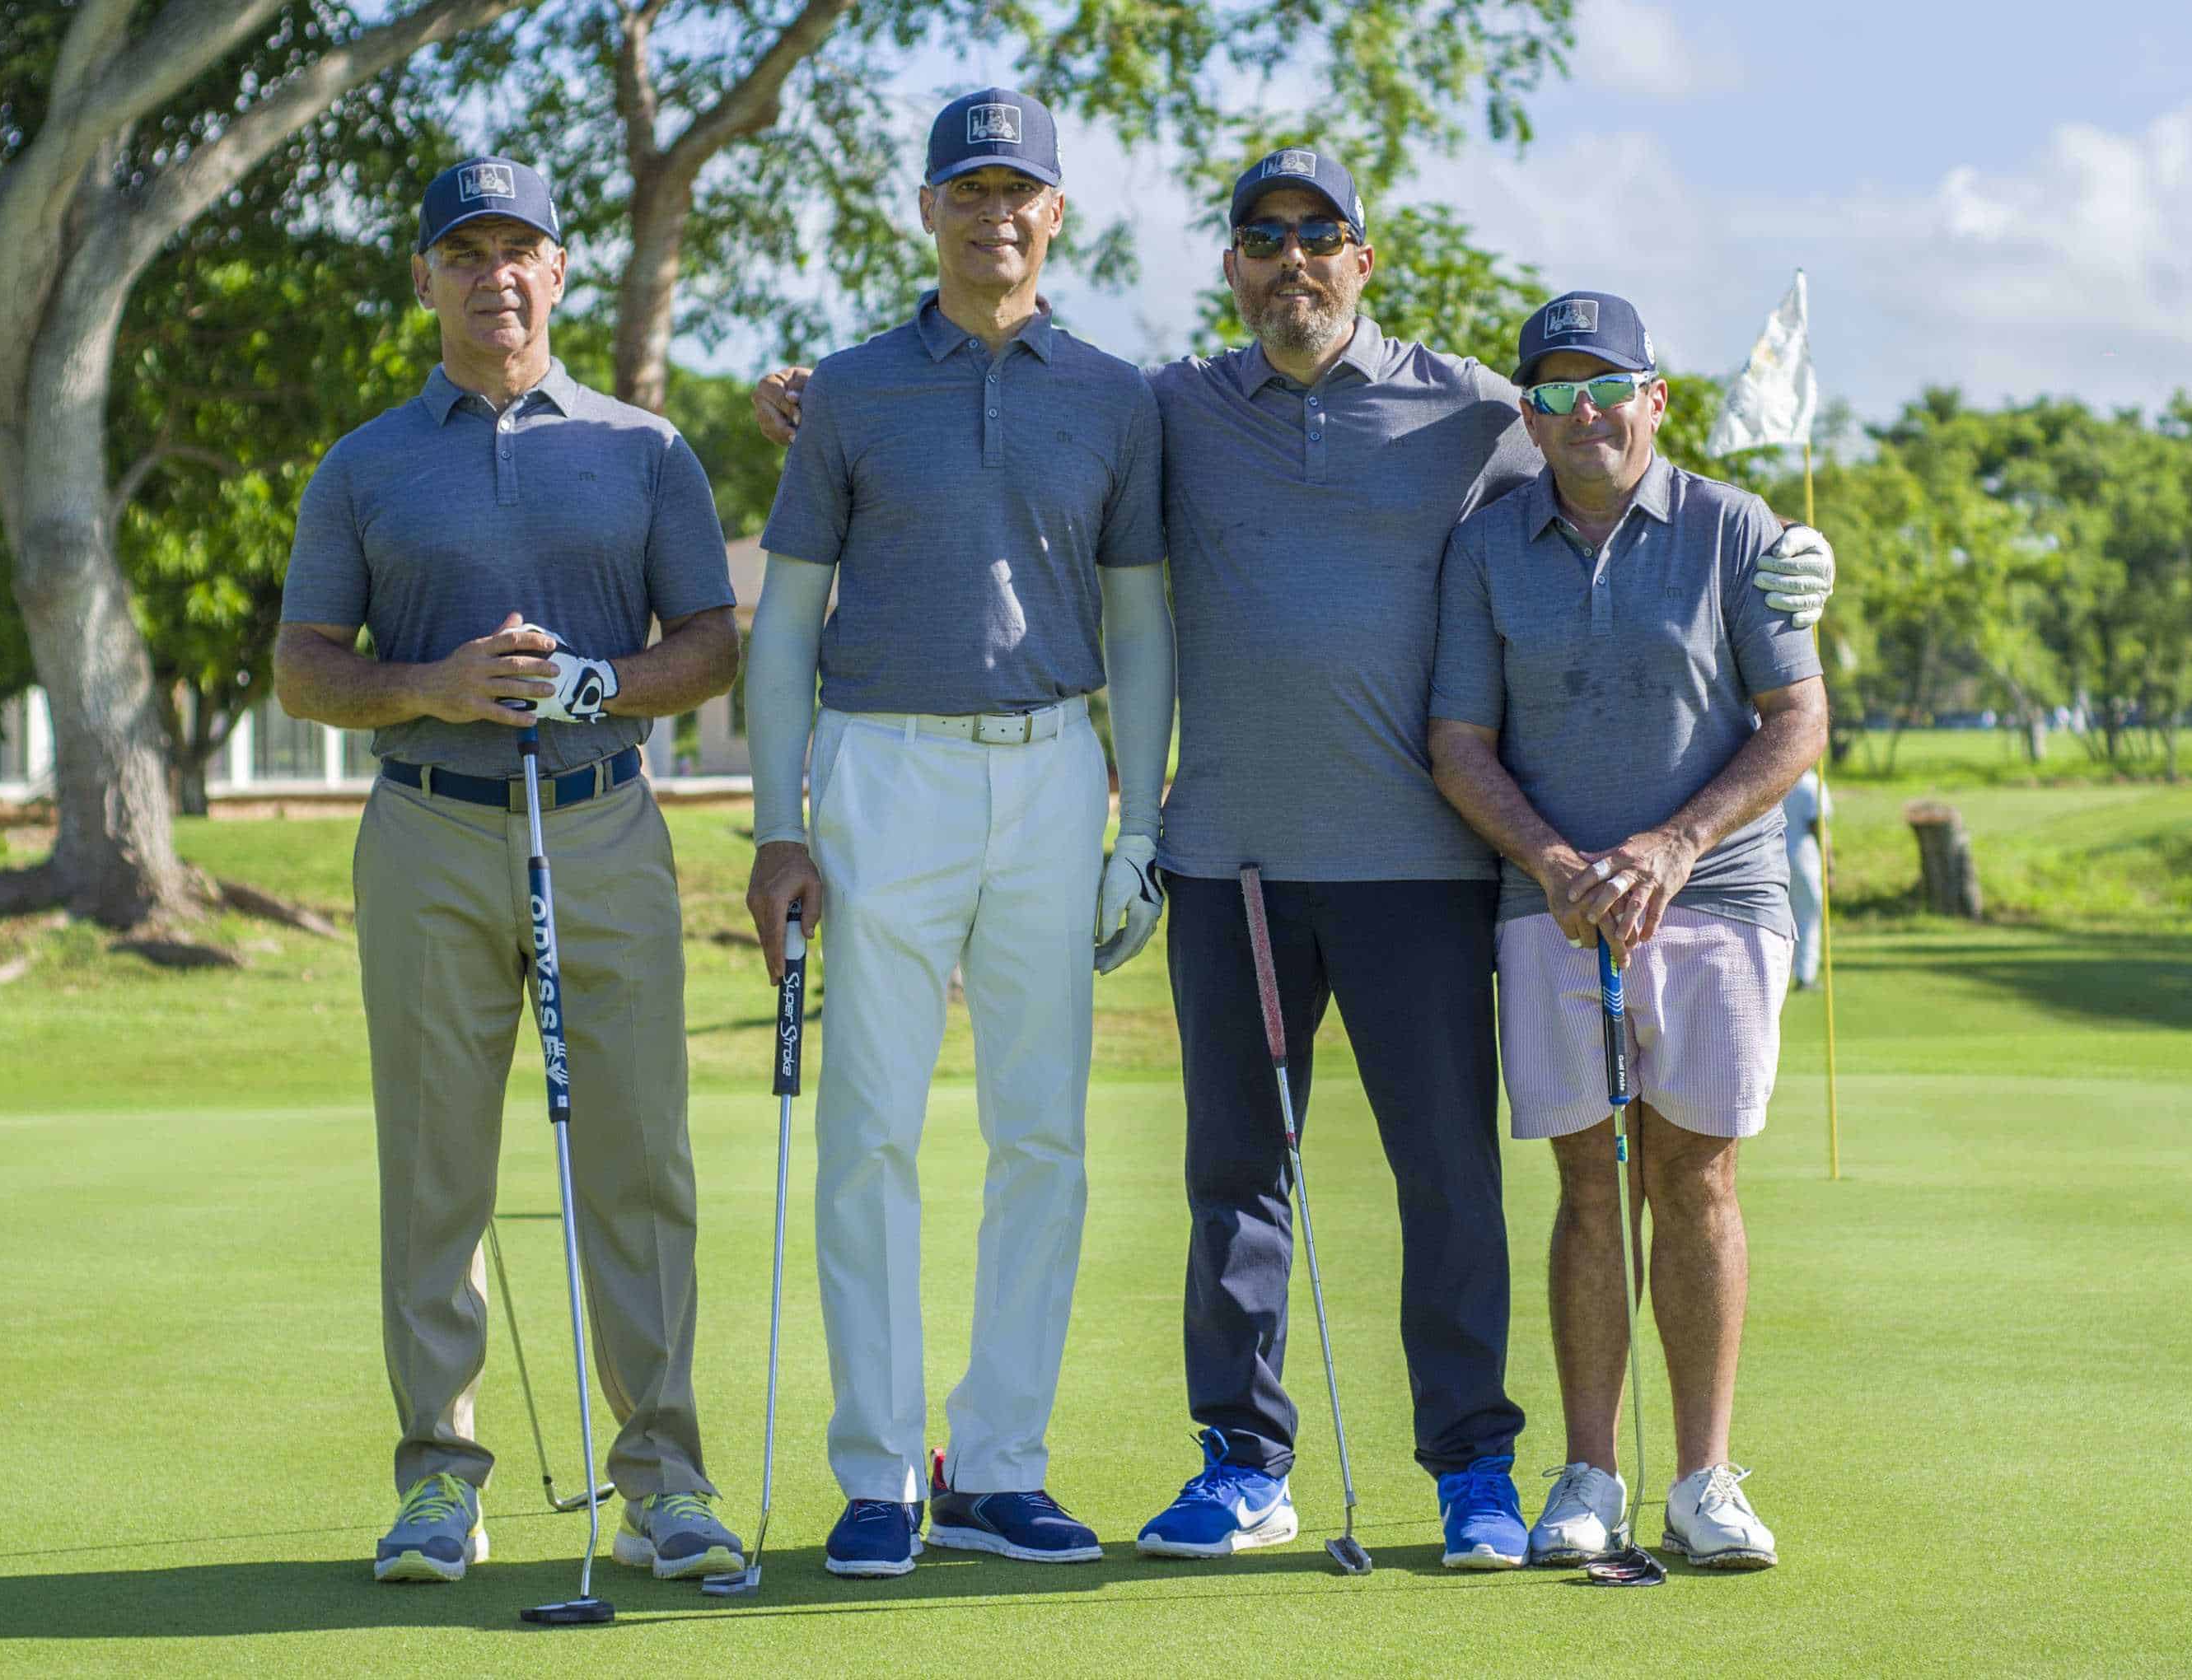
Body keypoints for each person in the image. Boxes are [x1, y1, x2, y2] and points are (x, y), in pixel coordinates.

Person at [754, 147, 1838, 1571]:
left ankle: (1472, 1472)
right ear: (1233, 268)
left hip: (1419, 865)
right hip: (1233, 866)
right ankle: (1242, 1466)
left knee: (1446, 1183)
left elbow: (1613, 465)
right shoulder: (1169, 405)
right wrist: (817, 402)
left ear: (1362, 258)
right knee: (1235, 1185)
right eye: (1262, 240)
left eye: (1319, 235)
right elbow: (1019, 409)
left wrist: (1781, 550)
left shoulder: (1473, 409)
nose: (1292, 262)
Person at [273, 156, 745, 1585]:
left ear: (559, 270)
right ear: (425, 278)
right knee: (435, 1168)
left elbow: (710, 644)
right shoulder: (363, 465)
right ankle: (438, 1477)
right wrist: (435, 684)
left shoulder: (646, 449)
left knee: (639, 1162)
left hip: (602, 821)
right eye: (466, 253)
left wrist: (595, 682)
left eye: (518, 250)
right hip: (428, 827)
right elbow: (306, 668)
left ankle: (664, 1480)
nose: (495, 276)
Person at [740, 89, 1175, 1580]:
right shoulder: (852, 391)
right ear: (928, 210)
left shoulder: (1116, 395)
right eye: (968, 191)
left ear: (1056, 214)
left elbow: (1140, 624)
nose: (996, 215)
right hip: (881, 774)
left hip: (1055, 775)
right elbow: (786, 621)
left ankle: (996, 1468)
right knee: (868, 1132)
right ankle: (878, 1475)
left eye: (1019, 192)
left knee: (1041, 1134)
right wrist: (776, 825)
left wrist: (1140, 825)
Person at [1427, 290, 1830, 1571]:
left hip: (1714, 895)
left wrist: (1674, 844)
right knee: (1590, 1184)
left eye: (1608, 387)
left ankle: (1706, 1480)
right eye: (1555, 392)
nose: (1583, 412)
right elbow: (1458, 741)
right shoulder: (1488, 547)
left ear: (1655, 399)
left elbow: (1797, 719)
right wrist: (1555, 863)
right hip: (1551, 904)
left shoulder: (1733, 527)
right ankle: (1590, 1475)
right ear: (1530, 414)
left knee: (1695, 1175)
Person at [1782, 768, 1830, 989]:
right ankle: (1806, 975)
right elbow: (1819, 828)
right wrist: (1830, 867)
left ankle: (1782, 974)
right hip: (1804, 858)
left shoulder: (1779, 777)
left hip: (1775, 857)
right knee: (1808, 917)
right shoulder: (1812, 784)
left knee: (1781, 919)